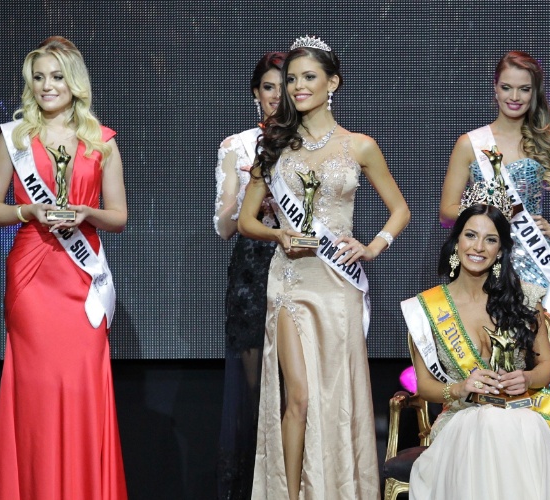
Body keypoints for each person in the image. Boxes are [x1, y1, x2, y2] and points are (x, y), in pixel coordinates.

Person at [238, 35, 410, 500]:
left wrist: (373, 246)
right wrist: (278, 234)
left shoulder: (360, 146)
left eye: (309, 77)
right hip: (290, 282)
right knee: (298, 395)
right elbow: (246, 220)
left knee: (336, 396)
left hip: (338, 285)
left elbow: (400, 209)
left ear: (332, 82)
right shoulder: (274, 147)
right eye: (292, 79)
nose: (298, 87)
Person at [0, 36, 127, 500]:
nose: (47, 86)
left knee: (82, 385)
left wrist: (87, 213)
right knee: (36, 390)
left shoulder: (101, 142)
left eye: (57, 77)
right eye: (39, 77)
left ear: (75, 82)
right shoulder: (15, 139)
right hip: (32, 277)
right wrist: (27, 211)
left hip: (81, 278)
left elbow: (119, 217)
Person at [401, 202, 550, 499]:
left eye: (491, 239)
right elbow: (425, 386)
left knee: (517, 426)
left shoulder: (524, 298)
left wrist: (527, 379)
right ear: (456, 241)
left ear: (500, 250)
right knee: (490, 424)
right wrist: (460, 388)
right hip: (461, 420)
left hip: (521, 415)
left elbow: (547, 369)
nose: (478, 247)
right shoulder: (426, 309)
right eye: (470, 235)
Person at [439, 51, 550, 393]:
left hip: (534, 266)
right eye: (507, 87)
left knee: (541, 361)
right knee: (492, 361)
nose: (514, 97)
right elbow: (447, 211)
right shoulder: (470, 144)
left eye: (524, 89)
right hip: (486, 263)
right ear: (495, 89)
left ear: (534, 92)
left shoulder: (547, 141)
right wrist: (488, 211)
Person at [213, 51, 285, 500]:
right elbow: (223, 227)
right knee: (257, 393)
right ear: (255, 94)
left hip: (300, 266)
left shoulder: (313, 143)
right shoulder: (237, 146)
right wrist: (247, 203)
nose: (276, 96)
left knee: (297, 388)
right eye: (268, 87)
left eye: (284, 86)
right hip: (252, 272)